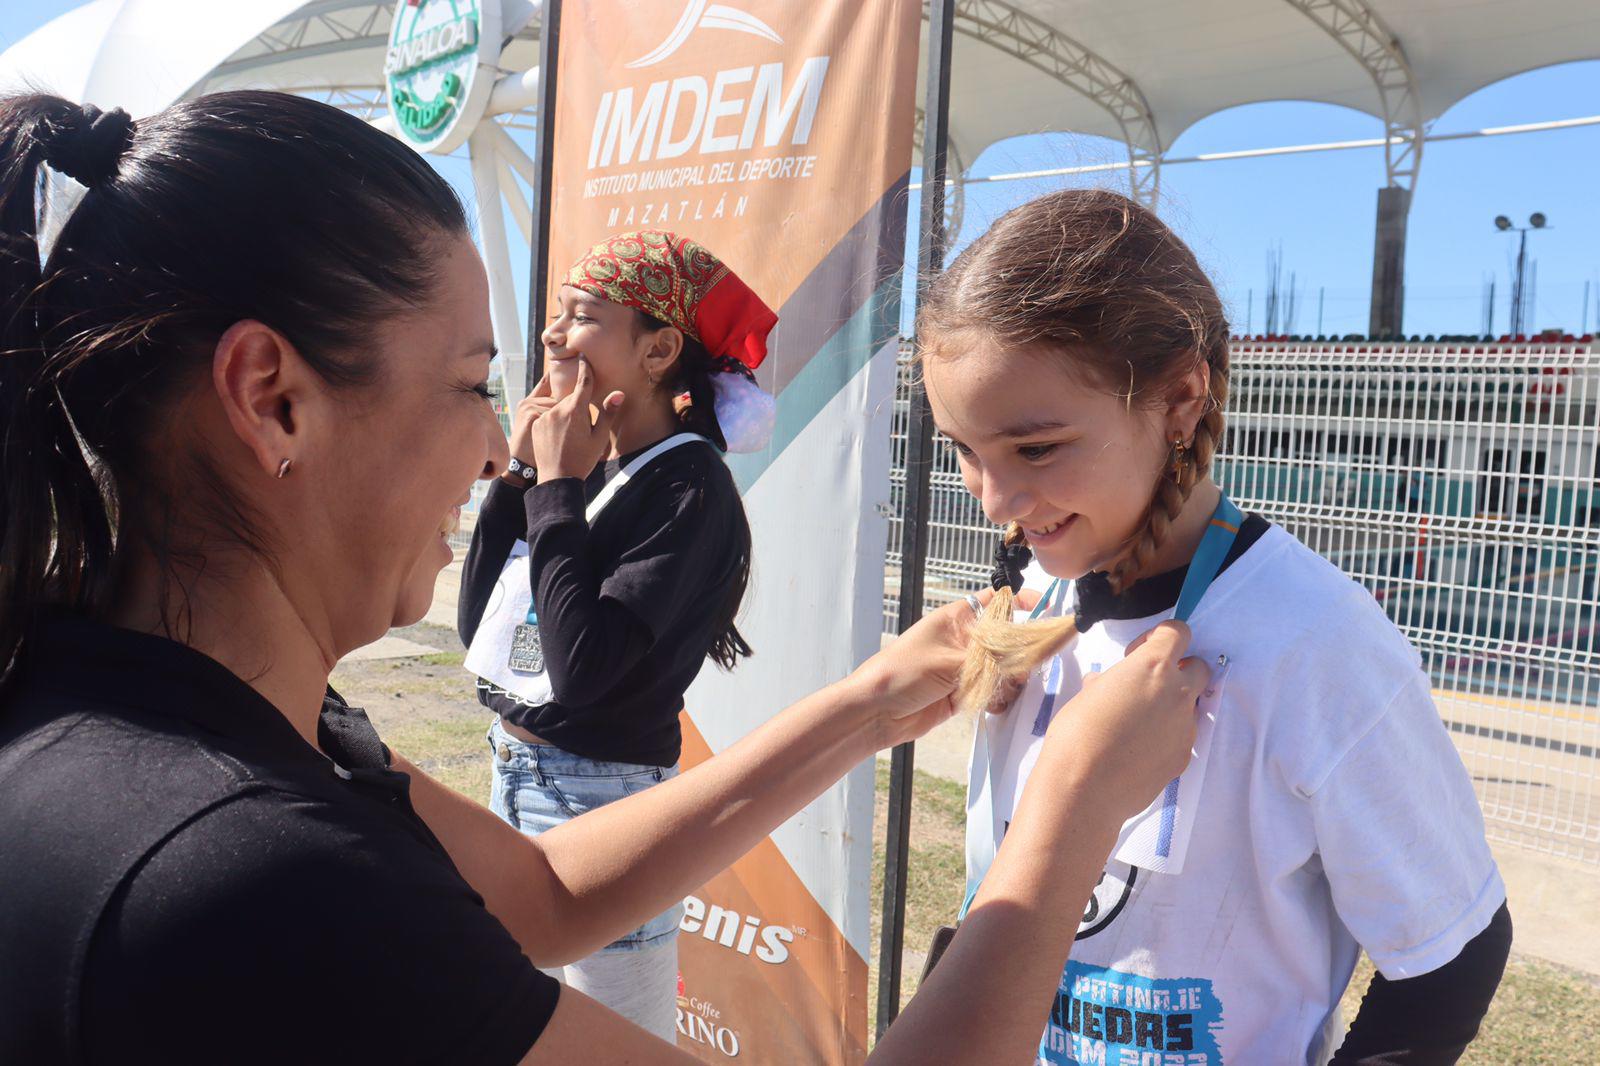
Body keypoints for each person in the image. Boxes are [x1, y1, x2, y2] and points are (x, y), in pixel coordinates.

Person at [0, 91, 1206, 1065]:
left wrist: (872, 704)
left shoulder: (135, 706)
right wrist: (1067, 818)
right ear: (274, 399)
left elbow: (545, 887)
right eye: (471, 380)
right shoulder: (258, 878)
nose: (494, 443)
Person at [918, 187, 1512, 1065]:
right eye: (963, 450)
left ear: (1182, 398)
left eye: (1036, 449)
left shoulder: (1317, 639)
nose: (996, 502)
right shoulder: (1038, 599)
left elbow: (1452, 959)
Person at [457, 228, 775, 1038]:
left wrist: (558, 485)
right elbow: (482, 637)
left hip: (603, 799)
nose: (553, 335)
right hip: (515, 771)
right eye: (557, 314)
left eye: (582, 315)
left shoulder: (689, 485)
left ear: (661, 348)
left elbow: (585, 670)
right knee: (519, 1028)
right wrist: (524, 476)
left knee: (610, 1042)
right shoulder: (590, 463)